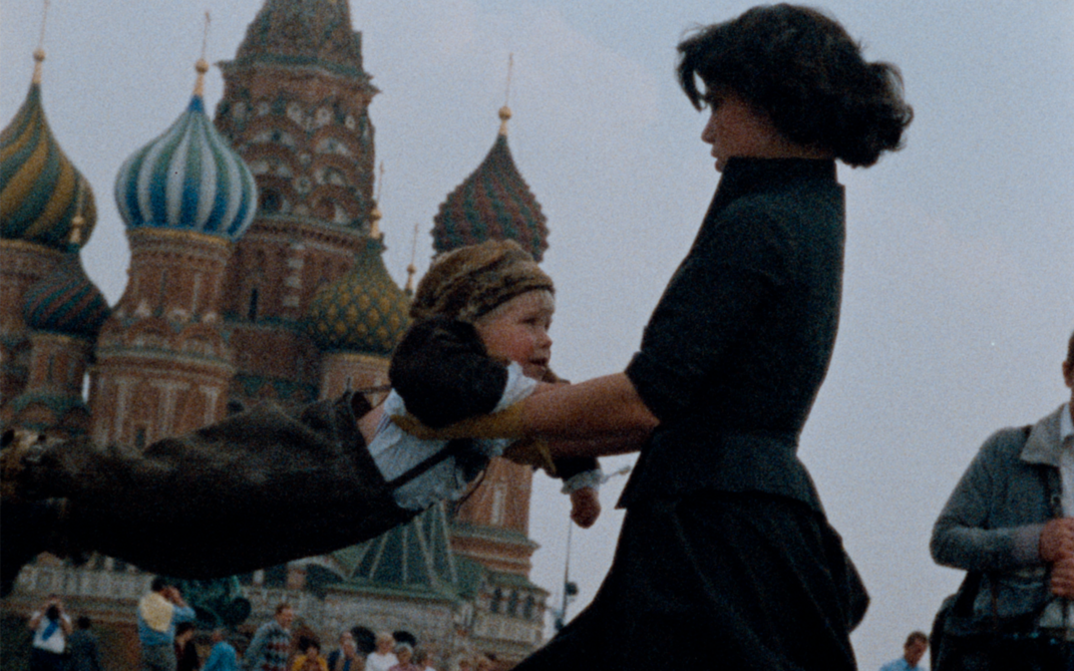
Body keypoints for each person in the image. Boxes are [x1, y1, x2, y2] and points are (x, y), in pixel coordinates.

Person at [395, 5, 911, 670]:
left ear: (774, 104)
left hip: (711, 542)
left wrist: (480, 410)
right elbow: (678, 411)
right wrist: (538, 437)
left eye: (720, 102)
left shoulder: (760, 223)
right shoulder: (808, 210)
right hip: (741, 526)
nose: (707, 129)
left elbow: (647, 399)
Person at [0, 240, 600, 591]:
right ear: (469, 320)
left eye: (549, 324)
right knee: (178, 483)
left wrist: (579, 482)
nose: (545, 339)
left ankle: (56, 524)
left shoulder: (526, 388)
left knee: (200, 554)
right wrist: (510, 391)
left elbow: (565, 423)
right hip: (318, 456)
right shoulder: (442, 352)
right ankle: (34, 458)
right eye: (530, 323)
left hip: (354, 509)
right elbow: (432, 385)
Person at [930, 330, 1074, 669]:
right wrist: (1032, 543)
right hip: (1008, 653)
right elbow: (944, 540)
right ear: (1068, 373)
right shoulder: (1007, 452)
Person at [138, 578, 196, 671]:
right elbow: (190, 615)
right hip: (163, 649)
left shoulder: (144, 603)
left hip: (146, 649)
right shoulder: (168, 608)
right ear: (165, 589)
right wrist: (178, 599)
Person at [28, 595, 72, 671]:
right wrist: (43, 610)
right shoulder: (39, 614)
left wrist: (60, 613)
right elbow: (31, 626)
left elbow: (69, 631)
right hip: (40, 650)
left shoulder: (65, 618)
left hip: (55, 654)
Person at [244, 603, 294, 671]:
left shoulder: (287, 636)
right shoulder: (266, 630)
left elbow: (283, 661)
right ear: (277, 616)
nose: (289, 619)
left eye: (291, 616)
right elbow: (252, 651)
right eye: (286, 616)